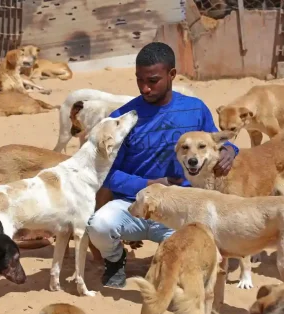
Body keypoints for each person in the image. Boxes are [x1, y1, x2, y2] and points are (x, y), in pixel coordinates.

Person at [87, 42, 240, 288]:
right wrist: (149, 183)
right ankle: (115, 261)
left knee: (191, 246)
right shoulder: (124, 119)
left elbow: (213, 141)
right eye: (140, 80)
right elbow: (106, 173)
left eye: (153, 80)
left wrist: (231, 150)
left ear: (171, 75)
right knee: (100, 226)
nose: (145, 88)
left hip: (180, 208)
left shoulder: (195, 108)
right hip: (132, 203)